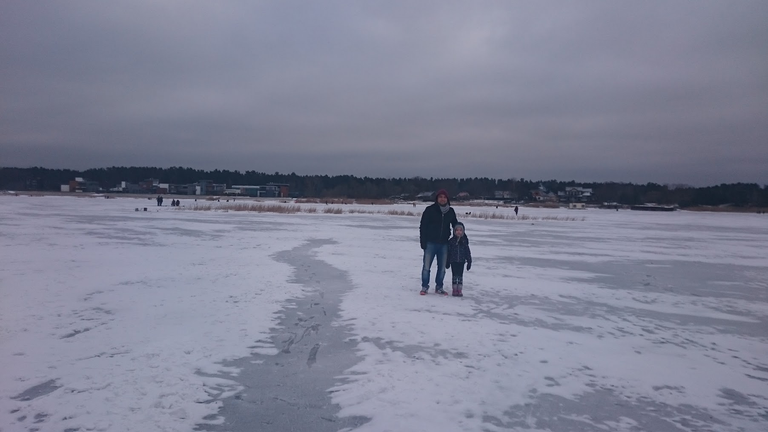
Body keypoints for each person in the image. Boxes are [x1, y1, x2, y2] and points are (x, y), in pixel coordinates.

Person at [419, 189, 458, 295]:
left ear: (447, 199)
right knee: (426, 267)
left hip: (444, 244)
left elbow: (456, 226)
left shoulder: (450, 211)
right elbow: (423, 226)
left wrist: (460, 237)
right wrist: (423, 242)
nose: (442, 199)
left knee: (442, 268)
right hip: (430, 243)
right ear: (437, 198)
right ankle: (424, 287)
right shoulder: (429, 210)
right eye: (440, 197)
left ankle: (439, 287)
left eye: (444, 197)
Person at [446, 222, 472, 297]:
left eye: (460, 230)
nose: (459, 232)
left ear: (463, 231)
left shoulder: (464, 241)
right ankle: (454, 289)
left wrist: (469, 261)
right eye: (457, 230)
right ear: (454, 231)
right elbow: (448, 252)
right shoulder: (451, 241)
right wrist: (447, 261)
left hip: (461, 261)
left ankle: (459, 290)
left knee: (460, 276)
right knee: (454, 275)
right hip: (453, 261)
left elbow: (467, 251)